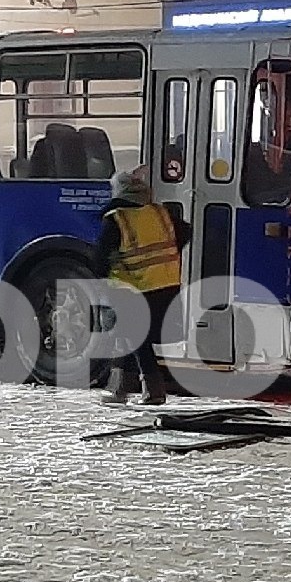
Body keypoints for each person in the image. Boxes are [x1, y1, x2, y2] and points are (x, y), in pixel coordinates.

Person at [94, 167, 183, 406]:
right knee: (129, 336)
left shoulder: (117, 219)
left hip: (133, 287)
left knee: (133, 336)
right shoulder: (160, 212)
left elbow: (100, 257)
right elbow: (186, 231)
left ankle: (151, 390)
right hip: (166, 283)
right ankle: (120, 389)